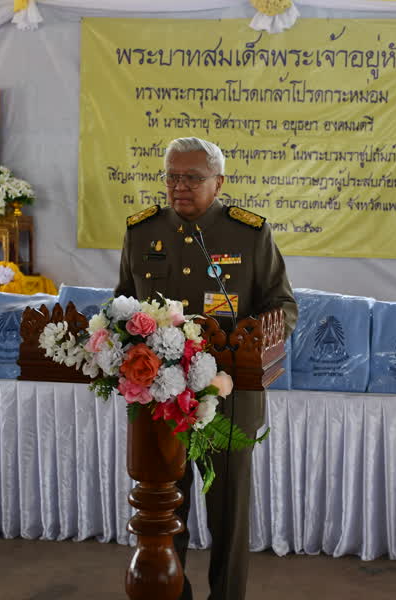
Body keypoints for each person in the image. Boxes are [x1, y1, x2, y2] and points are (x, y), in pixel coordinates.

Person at [114, 137, 298, 600]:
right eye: (172, 176)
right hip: (159, 397)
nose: (179, 186)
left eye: (192, 178)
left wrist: (257, 337)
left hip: (228, 398)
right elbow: (121, 304)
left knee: (227, 517)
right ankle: (170, 592)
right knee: (161, 509)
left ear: (219, 183)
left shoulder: (249, 234)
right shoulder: (142, 231)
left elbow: (284, 305)